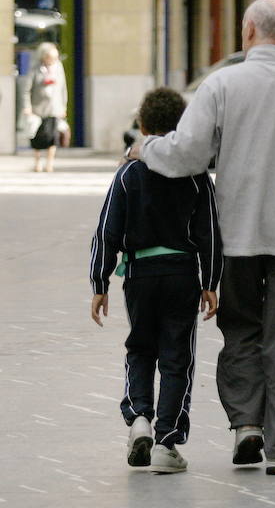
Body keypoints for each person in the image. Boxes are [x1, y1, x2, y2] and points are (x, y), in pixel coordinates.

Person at [129, 0, 275, 475]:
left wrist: (145, 146)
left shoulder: (223, 84)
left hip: (235, 236)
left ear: (249, 31)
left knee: (240, 331)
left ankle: (246, 426)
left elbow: (187, 154)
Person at [89, 87, 223, 474]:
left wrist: (100, 283)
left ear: (143, 126)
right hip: (182, 274)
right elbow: (210, 231)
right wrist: (211, 281)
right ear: (182, 126)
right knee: (178, 357)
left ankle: (139, 419)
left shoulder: (128, 174)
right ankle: (167, 441)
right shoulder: (195, 175)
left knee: (141, 347)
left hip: (138, 275)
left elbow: (106, 231)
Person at [23, 42, 68, 172]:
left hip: (54, 108)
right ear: (43, 57)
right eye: (50, 57)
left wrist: (63, 107)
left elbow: (63, 89)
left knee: (52, 136)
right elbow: (27, 90)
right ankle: (37, 162)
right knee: (37, 137)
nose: (53, 60)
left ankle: (50, 163)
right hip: (38, 108)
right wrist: (27, 107)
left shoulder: (58, 68)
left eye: (55, 58)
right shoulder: (35, 68)